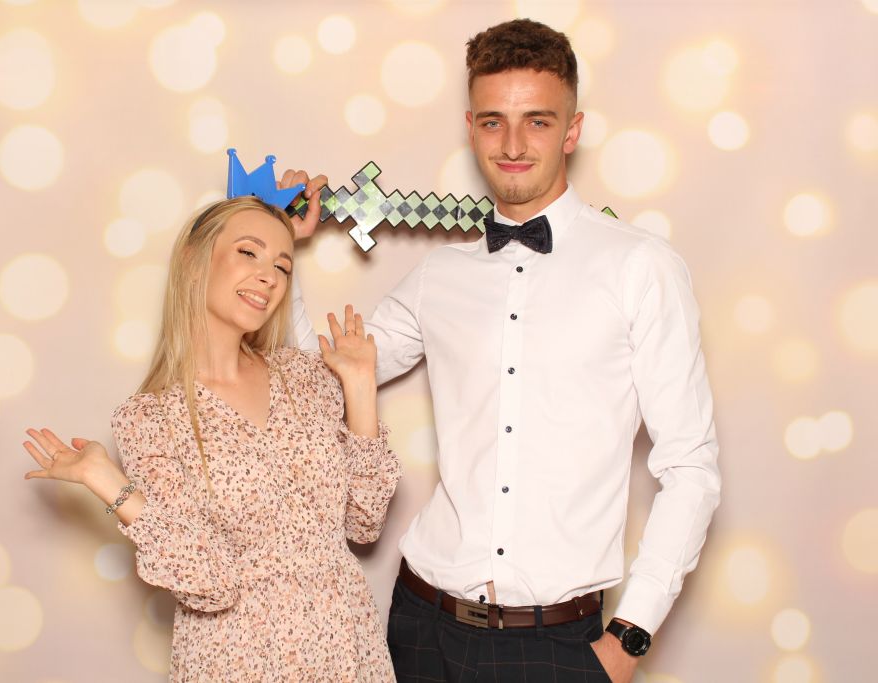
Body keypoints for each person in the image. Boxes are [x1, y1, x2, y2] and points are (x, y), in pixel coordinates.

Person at [286, 18, 721, 683]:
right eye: (493, 122)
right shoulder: (438, 276)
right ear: (471, 128)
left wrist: (629, 637)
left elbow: (691, 466)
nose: (513, 144)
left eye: (537, 121)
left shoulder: (642, 267)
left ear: (572, 130)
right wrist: (280, 245)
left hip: (558, 643)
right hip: (420, 622)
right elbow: (310, 384)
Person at [20, 196, 401, 682]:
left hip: (348, 652)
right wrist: (107, 481)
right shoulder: (150, 419)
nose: (269, 277)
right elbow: (210, 583)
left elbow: (364, 524)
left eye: (282, 267)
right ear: (194, 260)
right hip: (238, 661)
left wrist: (361, 386)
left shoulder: (305, 377)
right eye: (249, 252)